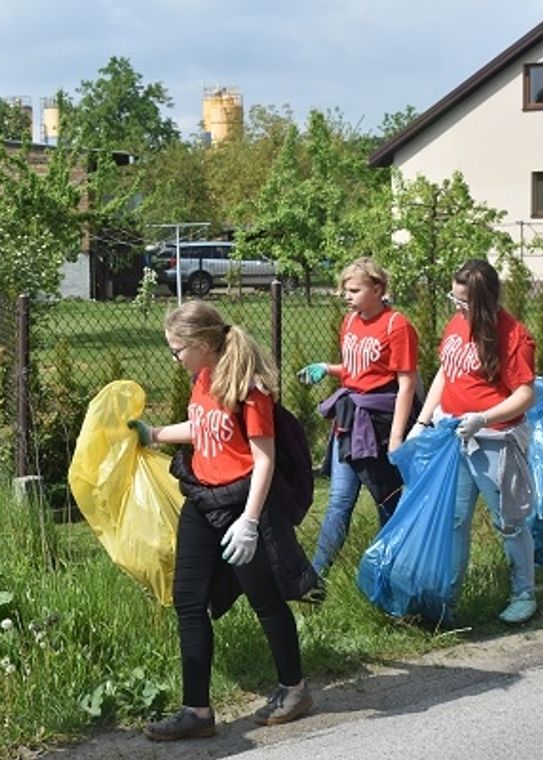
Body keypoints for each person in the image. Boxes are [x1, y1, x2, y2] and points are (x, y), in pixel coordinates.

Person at [128, 300, 317, 741]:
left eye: (177, 349)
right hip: (202, 499)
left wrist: (250, 522)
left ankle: (295, 689)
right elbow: (204, 428)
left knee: (264, 599)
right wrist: (154, 434)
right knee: (188, 600)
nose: (174, 357)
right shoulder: (202, 378)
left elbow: (264, 458)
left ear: (202, 343)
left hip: (242, 503)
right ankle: (197, 711)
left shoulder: (249, 389)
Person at [413, 259, 537, 625]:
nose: (457, 306)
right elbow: (446, 371)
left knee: (508, 520)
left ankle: (524, 592)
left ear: (485, 300)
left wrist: (485, 417)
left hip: (495, 440)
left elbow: (525, 394)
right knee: (453, 520)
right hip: (454, 437)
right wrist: (423, 419)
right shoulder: (456, 323)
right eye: (454, 298)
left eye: (464, 301)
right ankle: (446, 602)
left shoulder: (513, 335)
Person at [296, 257, 420, 576]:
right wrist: (327, 368)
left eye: (353, 290)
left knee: (387, 501)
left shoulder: (397, 325)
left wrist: (396, 439)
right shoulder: (350, 322)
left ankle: (389, 573)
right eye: (344, 290)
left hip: (379, 425)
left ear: (377, 288)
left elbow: (406, 384)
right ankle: (315, 577)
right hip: (349, 421)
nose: (346, 296)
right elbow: (356, 370)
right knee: (338, 500)